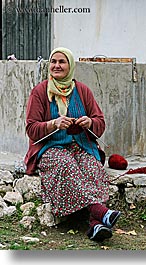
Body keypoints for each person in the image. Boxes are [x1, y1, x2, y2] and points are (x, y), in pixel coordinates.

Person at [24, 47, 121, 242]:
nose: (57, 66)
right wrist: (54, 123)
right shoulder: (40, 92)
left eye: (62, 62)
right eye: (54, 61)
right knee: (65, 165)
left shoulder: (82, 91)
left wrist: (90, 122)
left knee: (92, 168)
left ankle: (95, 226)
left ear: (70, 65)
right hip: (50, 149)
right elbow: (31, 129)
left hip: (81, 147)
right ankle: (100, 212)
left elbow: (100, 123)